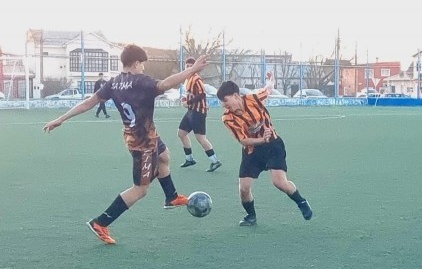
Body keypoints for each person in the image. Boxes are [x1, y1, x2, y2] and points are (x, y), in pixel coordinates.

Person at [43, 45, 209, 245]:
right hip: (143, 142)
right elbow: (165, 85)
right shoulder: (141, 81)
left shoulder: (114, 83)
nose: (143, 69)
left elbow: (89, 102)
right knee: (141, 189)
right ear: (136, 63)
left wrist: (62, 118)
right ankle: (101, 222)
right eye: (143, 65)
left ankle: (171, 197)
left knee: (164, 156)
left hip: (141, 135)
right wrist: (192, 69)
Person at [216, 73, 313, 226]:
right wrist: (261, 139)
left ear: (236, 96)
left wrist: (272, 80)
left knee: (279, 182)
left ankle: (301, 202)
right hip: (252, 150)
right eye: (221, 102)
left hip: (273, 145)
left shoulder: (254, 98)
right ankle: (251, 216)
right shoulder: (228, 118)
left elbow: (268, 89)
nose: (224, 105)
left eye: (225, 101)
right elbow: (243, 140)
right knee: (244, 189)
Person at [178, 57, 222, 172]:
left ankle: (215, 161)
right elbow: (191, 94)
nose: (188, 68)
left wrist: (188, 102)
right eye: (186, 66)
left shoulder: (196, 79)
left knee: (200, 137)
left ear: (195, 67)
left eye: (190, 66)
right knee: (181, 133)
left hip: (198, 112)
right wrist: (185, 98)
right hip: (191, 111)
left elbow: (202, 95)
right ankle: (189, 159)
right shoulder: (188, 78)